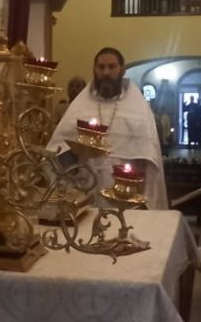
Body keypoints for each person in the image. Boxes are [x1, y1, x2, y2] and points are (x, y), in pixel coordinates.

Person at [48, 47, 167, 208]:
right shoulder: (80, 106)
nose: (105, 72)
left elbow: (149, 155)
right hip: (86, 187)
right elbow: (59, 147)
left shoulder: (137, 107)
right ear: (94, 70)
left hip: (125, 193)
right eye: (101, 67)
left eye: (112, 67)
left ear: (122, 70)